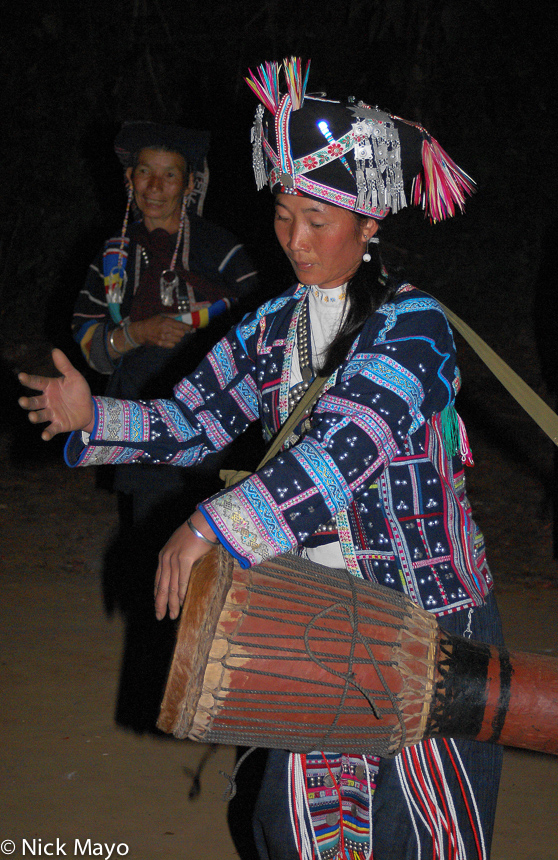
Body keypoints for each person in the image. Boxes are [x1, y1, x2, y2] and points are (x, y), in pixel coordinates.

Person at [20, 59, 503, 860]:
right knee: (299, 827)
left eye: (318, 221)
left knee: (420, 834)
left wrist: (210, 523)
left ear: (371, 223)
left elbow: (339, 452)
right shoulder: (274, 323)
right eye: (284, 215)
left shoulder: (415, 328)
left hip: (430, 619)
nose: (295, 240)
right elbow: (192, 417)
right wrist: (93, 412)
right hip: (323, 616)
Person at [72, 121, 258, 526]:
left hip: (214, 412)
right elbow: (88, 340)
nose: (154, 186)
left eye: (169, 175)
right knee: (147, 525)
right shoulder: (111, 257)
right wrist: (138, 333)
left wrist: (204, 332)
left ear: (189, 183)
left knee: (212, 531)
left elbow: (265, 321)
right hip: (140, 408)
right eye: (145, 172)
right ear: (130, 178)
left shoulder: (219, 248)